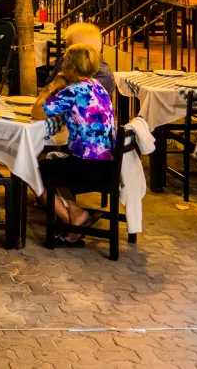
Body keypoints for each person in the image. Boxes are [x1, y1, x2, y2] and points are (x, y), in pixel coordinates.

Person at [32, 43, 116, 244]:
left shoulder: (73, 91)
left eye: (65, 61)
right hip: (107, 165)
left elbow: (37, 112)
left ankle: (71, 223)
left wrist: (52, 86)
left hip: (86, 166)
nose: (62, 65)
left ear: (71, 66)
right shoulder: (98, 86)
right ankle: (75, 211)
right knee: (51, 161)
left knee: (32, 170)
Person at [58, 22, 115, 98]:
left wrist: (52, 88)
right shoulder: (66, 60)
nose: (66, 49)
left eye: (70, 45)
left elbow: (75, 99)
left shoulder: (102, 75)